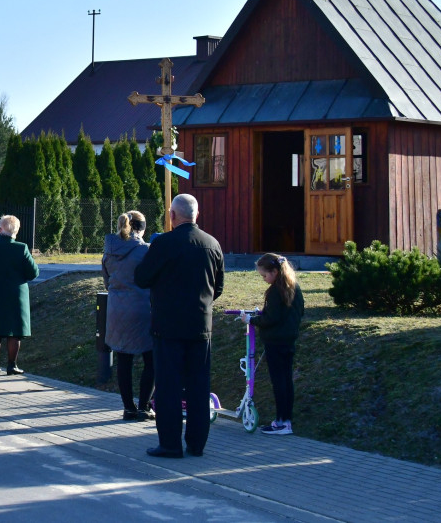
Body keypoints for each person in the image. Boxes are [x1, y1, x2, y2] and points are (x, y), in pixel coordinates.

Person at [133, 194, 224, 459]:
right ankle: (197, 444)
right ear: (198, 214)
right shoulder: (212, 244)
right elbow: (217, 287)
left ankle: (170, 444)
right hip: (200, 326)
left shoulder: (164, 244)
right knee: (198, 386)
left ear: (172, 216)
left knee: (169, 386)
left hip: (168, 326)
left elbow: (142, 277)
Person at [244, 253, 305, 436]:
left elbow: (271, 318)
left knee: (278, 381)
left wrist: (251, 319)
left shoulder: (274, 292)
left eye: (265, 275)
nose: (264, 279)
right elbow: (300, 311)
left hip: (274, 341)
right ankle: (286, 420)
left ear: (275, 271)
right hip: (289, 339)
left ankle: (280, 421)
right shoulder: (294, 288)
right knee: (286, 380)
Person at [103, 212, 154, 421]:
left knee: (123, 359)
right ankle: (144, 406)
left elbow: (107, 282)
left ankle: (128, 408)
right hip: (143, 308)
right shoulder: (145, 251)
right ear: (141, 228)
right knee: (151, 359)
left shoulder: (109, 251)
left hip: (116, 310)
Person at [0, 215, 39, 375]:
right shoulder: (21, 248)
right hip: (15, 295)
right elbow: (33, 273)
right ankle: (12, 365)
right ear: (16, 231)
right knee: (15, 332)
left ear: (0, 229)